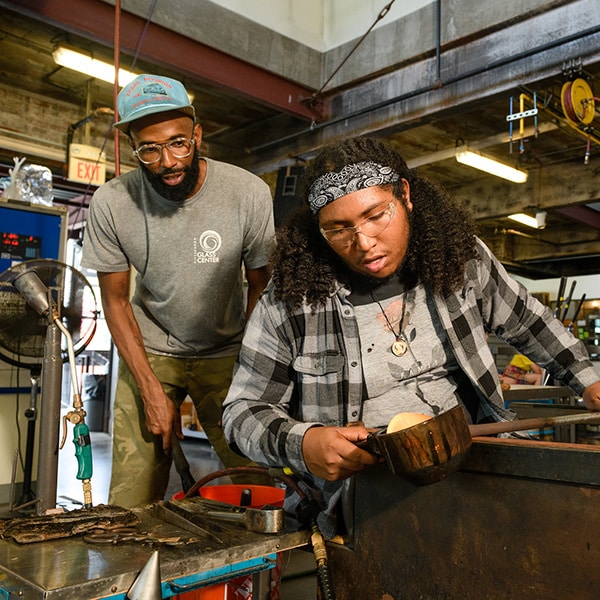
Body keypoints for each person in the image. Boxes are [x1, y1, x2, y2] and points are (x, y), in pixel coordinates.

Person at [221, 136, 600, 537]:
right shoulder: (291, 300)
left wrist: (588, 377)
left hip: (476, 470)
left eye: (375, 216)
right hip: (362, 501)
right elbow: (242, 411)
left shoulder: (460, 259)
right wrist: (306, 443)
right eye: (339, 229)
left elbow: (528, 321)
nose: (363, 244)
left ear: (404, 194)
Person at [81, 74, 275, 507]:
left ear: (197, 134)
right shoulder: (112, 203)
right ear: (133, 147)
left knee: (254, 481)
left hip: (228, 351)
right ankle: (134, 574)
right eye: (149, 149)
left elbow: (261, 287)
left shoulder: (247, 193)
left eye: (178, 143)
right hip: (149, 351)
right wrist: (150, 389)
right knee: (132, 497)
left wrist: (252, 368)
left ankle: (255, 576)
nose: (167, 161)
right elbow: (114, 300)